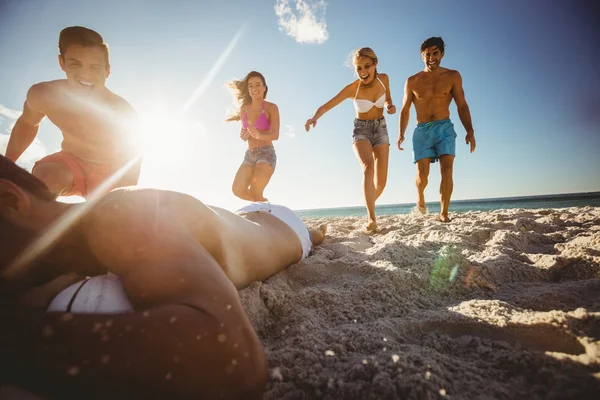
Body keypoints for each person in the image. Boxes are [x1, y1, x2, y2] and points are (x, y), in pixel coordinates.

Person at [0, 154, 326, 399]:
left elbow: (230, 360)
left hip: (284, 227)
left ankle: (318, 231)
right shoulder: (74, 242)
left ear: (9, 200)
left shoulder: (115, 217)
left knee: (314, 237)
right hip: (239, 221)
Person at [4, 26, 141, 199]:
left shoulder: (121, 113)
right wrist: (7, 166)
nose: (85, 74)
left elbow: (133, 161)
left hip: (111, 175)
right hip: (71, 163)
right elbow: (28, 123)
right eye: (75, 64)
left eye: (95, 67)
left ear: (107, 71)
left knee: (117, 216)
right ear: (62, 63)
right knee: (46, 177)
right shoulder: (44, 94)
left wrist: (123, 201)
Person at [305, 48, 395, 233]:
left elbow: (388, 99)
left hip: (381, 129)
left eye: (367, 66)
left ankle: (368, 204)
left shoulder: (384, 79)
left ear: (375, 64)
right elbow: (328, 105)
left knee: (382, 182)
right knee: (368, 167)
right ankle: (371, 219)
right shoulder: (353, 88)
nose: (363, 72)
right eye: (359, 68)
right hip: (361, 130)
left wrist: (389, 106)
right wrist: (314, 118)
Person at [397, 37, 476, 223]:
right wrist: (401, 133)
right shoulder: (412, 81)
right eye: (427, 54)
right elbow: (405, 109)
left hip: (444, 128)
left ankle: (444, 213)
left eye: (435, 53)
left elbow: (462, 105)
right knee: (422, 176)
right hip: (422, 130)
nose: (431, 58)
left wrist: (470, 130)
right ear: (421, 56)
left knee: (447, 170)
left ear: (442, 54)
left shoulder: (453, 76)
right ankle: (421, 198)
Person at [226, 71, 280, 202]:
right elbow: (244, 132)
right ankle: (264, 204)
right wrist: (243, 135)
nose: (254, 89)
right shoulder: (244, 108)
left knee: (256, 191)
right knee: (237, 190)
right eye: (250, 86)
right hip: (249, 155)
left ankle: (261, 204)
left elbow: (275, 135)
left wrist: (259, 135)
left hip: (266, 154)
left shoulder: (271, 107)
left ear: (264, 87)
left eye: (257, 85)